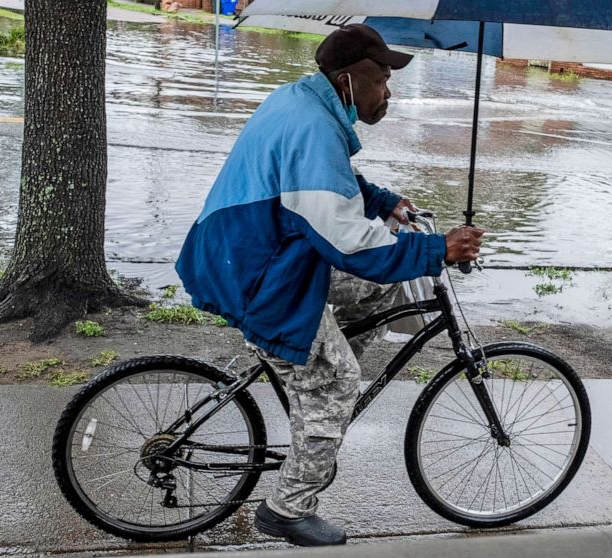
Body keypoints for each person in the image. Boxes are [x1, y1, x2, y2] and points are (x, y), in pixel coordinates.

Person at [176, 23, 483, 547]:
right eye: (383, 78)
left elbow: (329, 184)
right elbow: (348, 243)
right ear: (348, 80)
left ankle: (318, 407)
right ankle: (288, 507)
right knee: (338, 382)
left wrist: (385, 202)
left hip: (247, 252)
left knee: (379, 291)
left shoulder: (303, 103)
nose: (389, 91)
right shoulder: (315, 127)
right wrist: (437, 250)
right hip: (259, 274)